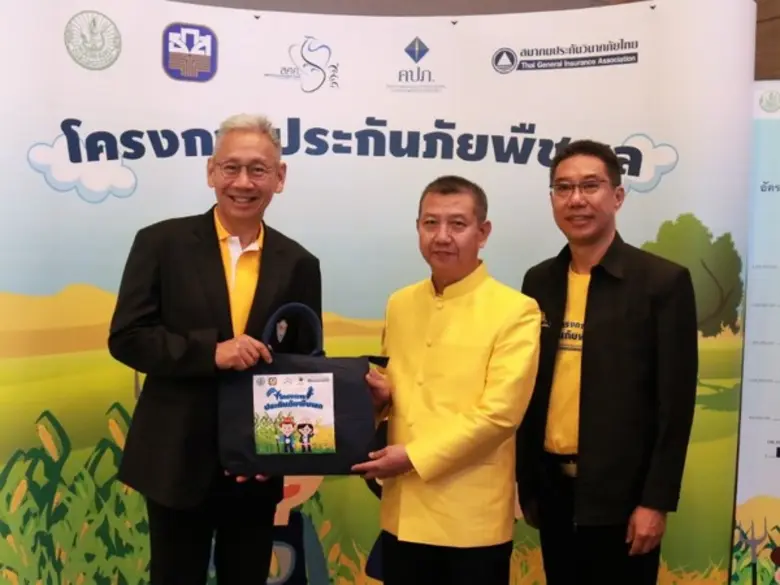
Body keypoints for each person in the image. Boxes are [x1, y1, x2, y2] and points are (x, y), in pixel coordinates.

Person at [108, 113, 322, 585]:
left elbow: (301, 368)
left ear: (279, 177)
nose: (243, 182)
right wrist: (211, 353)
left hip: (255, 467)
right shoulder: (160, 243)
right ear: (211, 172)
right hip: (175, 458)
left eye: (258, 169)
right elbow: (127, 337)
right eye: (231, 167)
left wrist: (277, 453)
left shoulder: (300, 263)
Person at [515, 139, 698, 585]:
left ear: (617, 196)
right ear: (552, 199)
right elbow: (528, 388)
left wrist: (655, 502)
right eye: (563, 188)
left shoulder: (662, 283)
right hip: (553, 494)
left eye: (590, 186)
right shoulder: (538, 281)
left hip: (625, 502)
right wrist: (523, 481)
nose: (576, 199)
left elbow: (674, 407)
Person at [352, 175, 542, 585]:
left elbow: (500, 415)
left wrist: (412, 457)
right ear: (417, 228)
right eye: (430, 223)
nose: (442, 236)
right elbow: (400, 395)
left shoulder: (516, 310)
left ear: (483, 232)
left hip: (470, 519)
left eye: (457, 224)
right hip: (403, 512)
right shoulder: (400, 303)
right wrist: (381, 400)